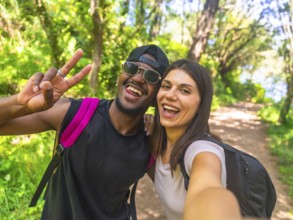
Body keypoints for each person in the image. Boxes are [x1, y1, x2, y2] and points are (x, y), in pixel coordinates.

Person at [0, 45, 169, 219]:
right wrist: (20, 104)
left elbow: (177, 197)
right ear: (120, 76)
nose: (139, 78)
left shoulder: (151, 140)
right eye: (131, 68)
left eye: (151, 76)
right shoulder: (76, 114)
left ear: (158, 95)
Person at [148, 59, 241, 220]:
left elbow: (208, 188)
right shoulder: (157, 142)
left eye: (185, 91)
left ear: (201, 106)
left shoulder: (202, 152)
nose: (170, 95)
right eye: (166, 86)